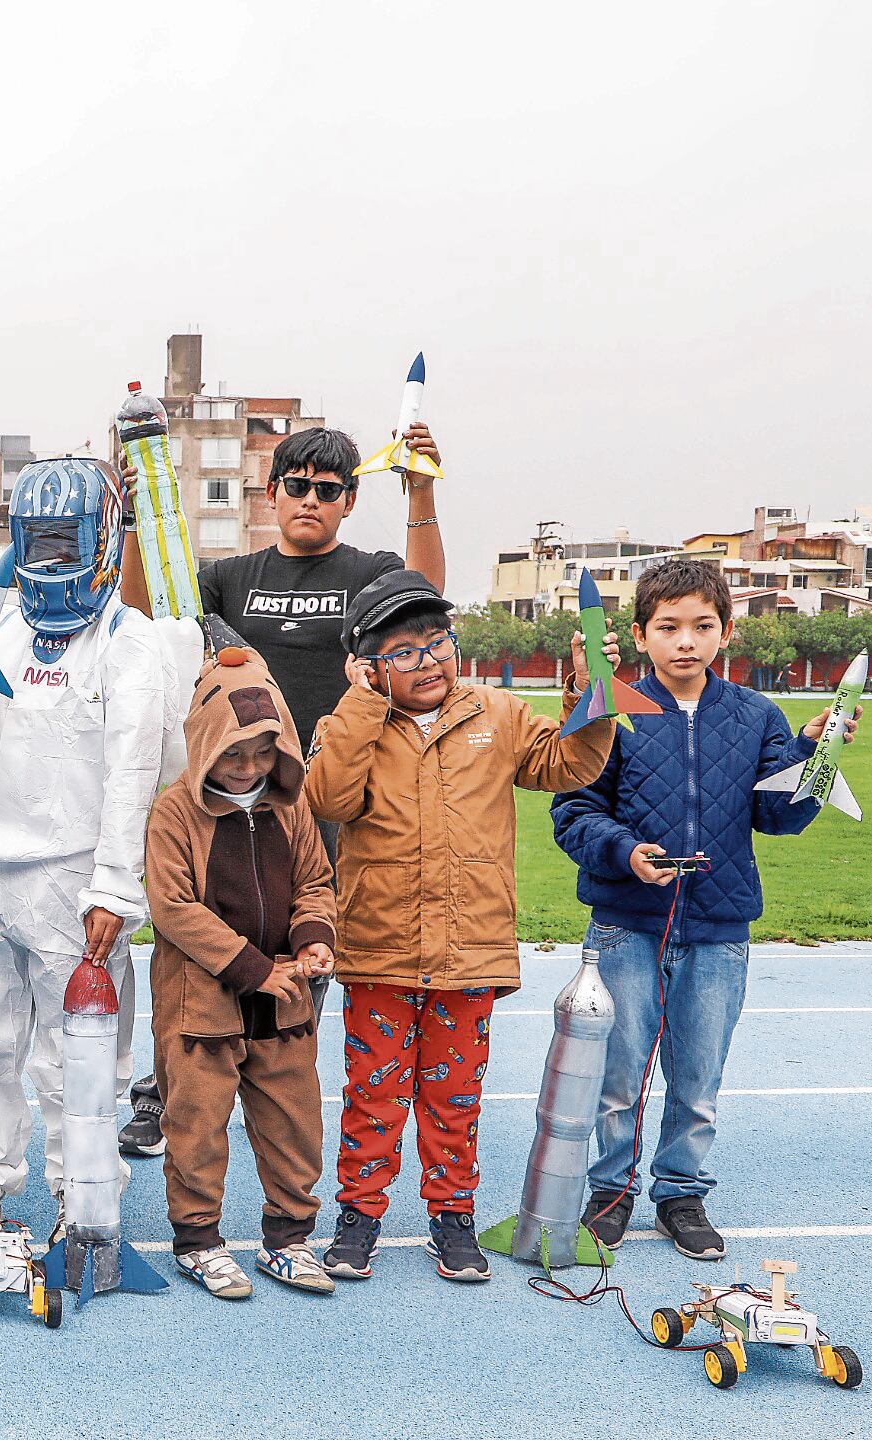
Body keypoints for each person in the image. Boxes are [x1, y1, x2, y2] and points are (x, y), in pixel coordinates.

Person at [122, 419, 448, 1157]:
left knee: (301, 945)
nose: (310, 499)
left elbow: (423, 592)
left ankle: (273, 1083)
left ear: (348, 501)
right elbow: (147, 617)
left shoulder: (367, 573)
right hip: (224, 799)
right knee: (196, 949)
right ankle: (161, 1092)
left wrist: (421, 489)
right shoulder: (230, 578)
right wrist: (139, 525)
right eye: (296, 485)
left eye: (327, 491)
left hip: (319, 804)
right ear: (270, 494)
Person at [302, 568, 615, 1282]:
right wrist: (360, 703)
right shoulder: (349, 724)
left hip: (469, 954)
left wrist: (589, 698)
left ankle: (454, 1219)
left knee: (455, 1100)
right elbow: (328, 797)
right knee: (372, 1097)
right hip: (379, 951)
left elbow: (568, 763)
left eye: (438, 642)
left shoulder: (498, 714)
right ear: (369, 664)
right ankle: (359, 1217)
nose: (430, 660)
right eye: (404, 651)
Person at [551, 559, 857, 1260]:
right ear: (639, 634)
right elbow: (573, 814)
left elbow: (779, 817)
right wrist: (626, 853)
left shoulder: (756, 716)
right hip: (627, 926)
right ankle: (613, 1190)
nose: (685, 641)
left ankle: (681, 1193)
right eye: (668, 627)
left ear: (725, 631)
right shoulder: (611, 710)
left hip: (718, 931)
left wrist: (817, 752)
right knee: (618, 1074)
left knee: (697, 1077)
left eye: (702, 626)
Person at [0, 458, 164, 1238]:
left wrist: (113, 888)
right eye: (41, 542)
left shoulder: (130, 642)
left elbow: (133, 774)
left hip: (74, 883)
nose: (54, 561)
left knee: (80, 1058)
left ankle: (82, 1196)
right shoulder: (1, 628)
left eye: (69, 542)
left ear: (102, 541)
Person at [144, 641, 337, 1298]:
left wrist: (312, 940)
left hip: (283, 995)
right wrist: (252, 968)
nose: (248, 765)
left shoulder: (290, 805)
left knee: (294, 1117)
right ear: (204, 743)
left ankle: (288, 1238)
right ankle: (199, 1240)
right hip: (202, 995)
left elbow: (315, 880)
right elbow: (171, 906)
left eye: (262, 751)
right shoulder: (176, 810)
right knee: (196, 1117)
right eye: (232, 751)